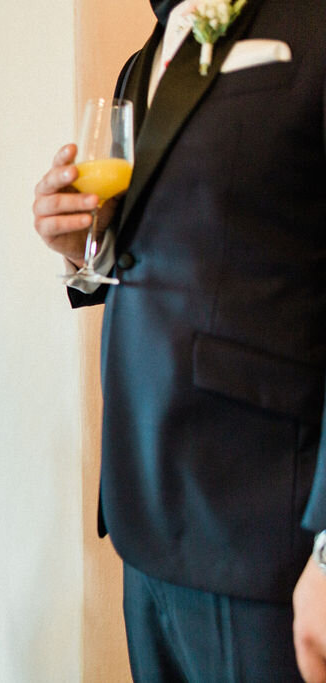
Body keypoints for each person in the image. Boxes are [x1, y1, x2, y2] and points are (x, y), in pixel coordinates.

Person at [33, 0, 326, 679]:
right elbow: (168, 243)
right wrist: (82, 251)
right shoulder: (143, 59)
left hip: (263, 518)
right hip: (145, 506)